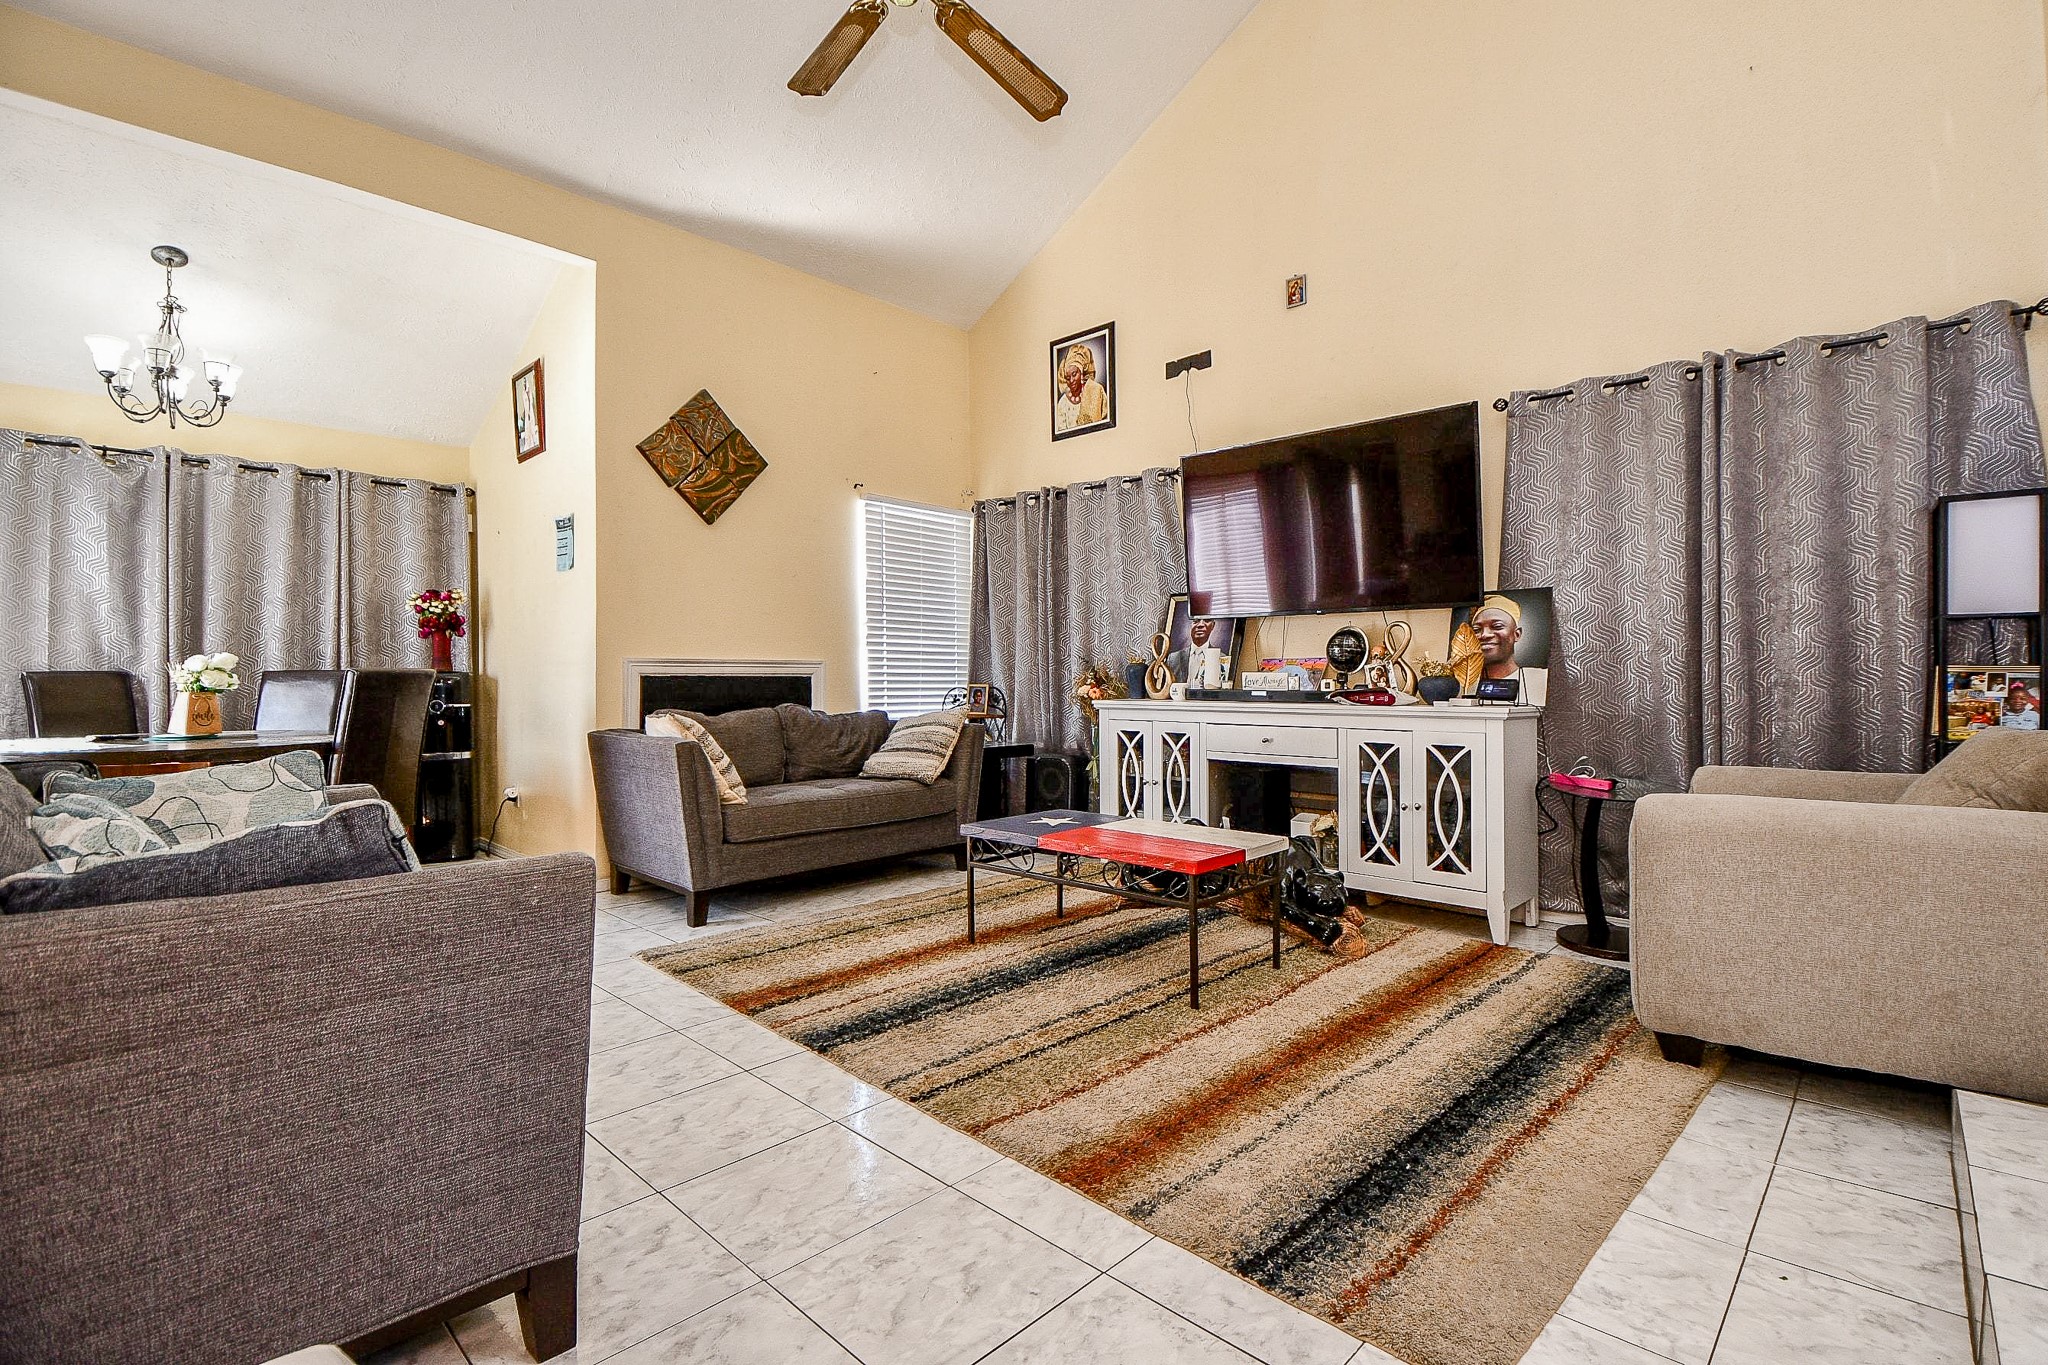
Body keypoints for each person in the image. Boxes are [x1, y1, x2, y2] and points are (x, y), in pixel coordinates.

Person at [1054, 343, 1108, 432]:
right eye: (1068, 378)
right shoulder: (1062, 403)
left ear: (1082, 373)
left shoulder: (1097, 391)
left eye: (1074, 374)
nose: (1071, 380)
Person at [1470, 594, 1525, 682]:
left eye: (1497, 626)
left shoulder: (1541, 678)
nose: (1484, 634)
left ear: (1517, 634)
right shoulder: (1462, 684)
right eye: (1476, 630)